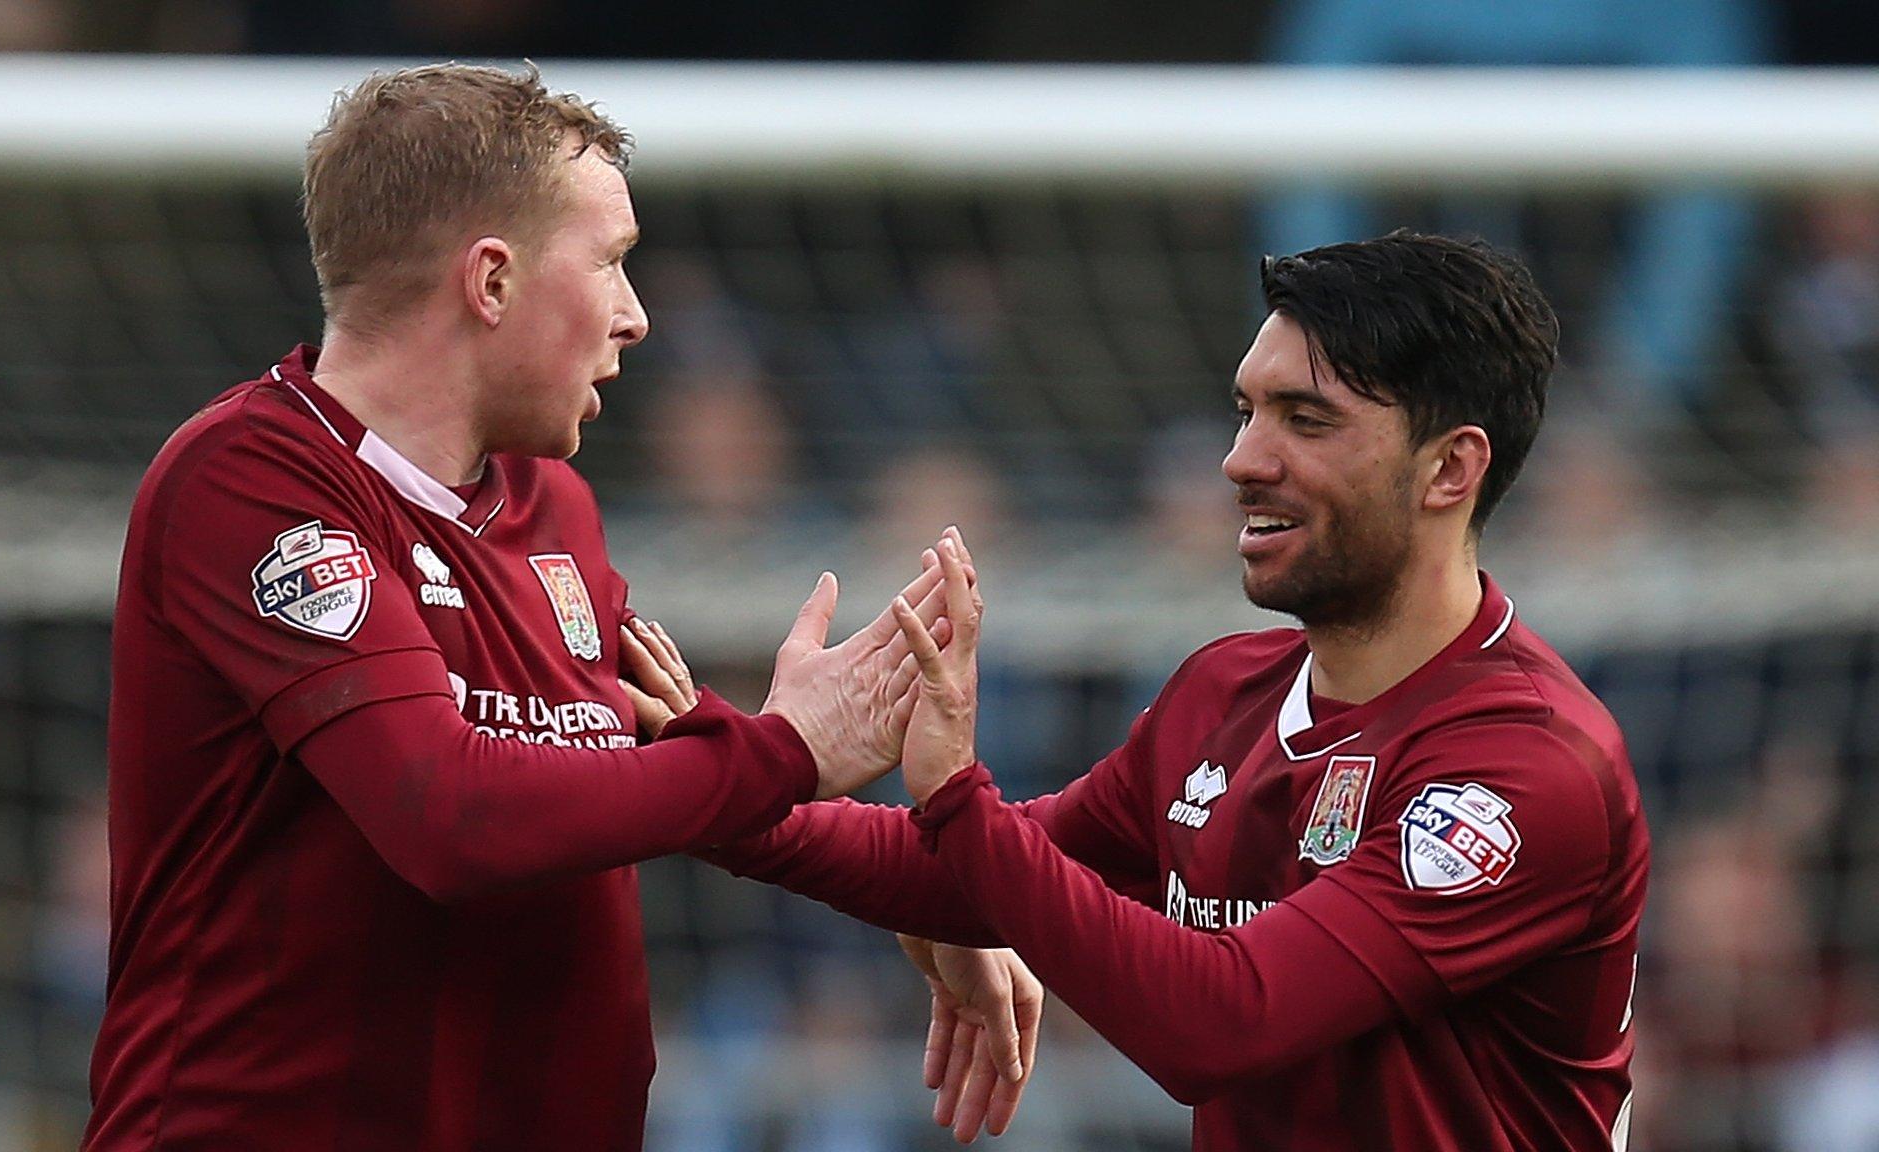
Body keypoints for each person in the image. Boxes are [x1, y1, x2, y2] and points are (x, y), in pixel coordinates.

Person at [84, 62, 1009, 1152]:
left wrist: (951, 887)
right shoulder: (251, 482)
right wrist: (785, 751)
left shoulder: (548, 504)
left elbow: (667, 781)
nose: (636, 317)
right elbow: (448, 816)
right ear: (491, 281)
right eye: (612, 263)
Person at [705, 232, 1650, 1150]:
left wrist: (958, 801)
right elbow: (973, 869)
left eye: (1306, 420)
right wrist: (731, 775)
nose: (1243, 461)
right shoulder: (1222, 693)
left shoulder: (1523, 764)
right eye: (1247, 412)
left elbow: (1221, 1022)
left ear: (1451, 468)